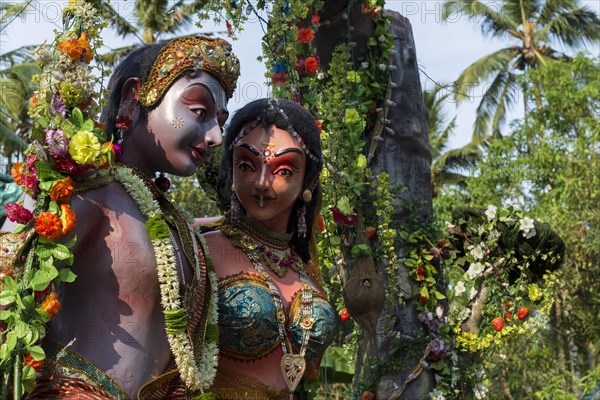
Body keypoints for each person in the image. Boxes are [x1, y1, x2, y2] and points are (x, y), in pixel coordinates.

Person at [22, 35, 240, 399]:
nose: (216, 136)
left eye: (220, 120)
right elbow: (10, 286)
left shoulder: (180, 228)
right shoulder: (86, 192)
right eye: (200, 112)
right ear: (133, 97)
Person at [203, 98, 336, 400]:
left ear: (309, 180)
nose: (262, 183)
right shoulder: (202, 251)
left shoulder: (304, 268)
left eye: (284, 170)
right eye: (247, 165)